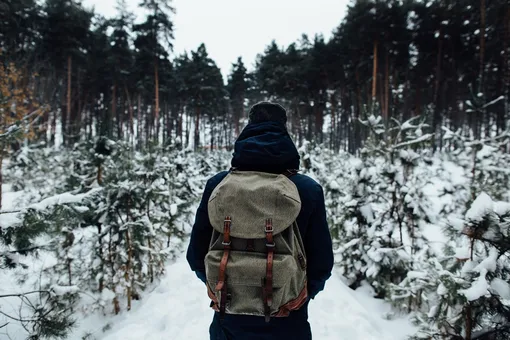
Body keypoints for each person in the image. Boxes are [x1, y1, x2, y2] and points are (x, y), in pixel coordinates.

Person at [186, 101, 334, 340]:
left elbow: (195, 254)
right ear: (285, 131)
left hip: (228, 318)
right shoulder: (307, 189)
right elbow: (322, 263)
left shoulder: (218, 185)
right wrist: (294, 296)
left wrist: (224, 287)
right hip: (288, 320)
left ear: (248, 128)